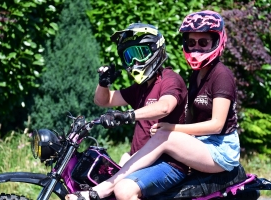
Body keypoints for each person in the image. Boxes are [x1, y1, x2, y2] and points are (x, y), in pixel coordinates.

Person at [66, 23, 188, 200]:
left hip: (167, 163)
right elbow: (104, 100)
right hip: (139, 160)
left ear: (156, 49)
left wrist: (127, 115)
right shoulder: (141, 87)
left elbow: (164, 107)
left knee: (124, 191)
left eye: (139, 54)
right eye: (129, 56)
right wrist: (103, 83)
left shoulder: (170, 80)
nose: (135, 62)